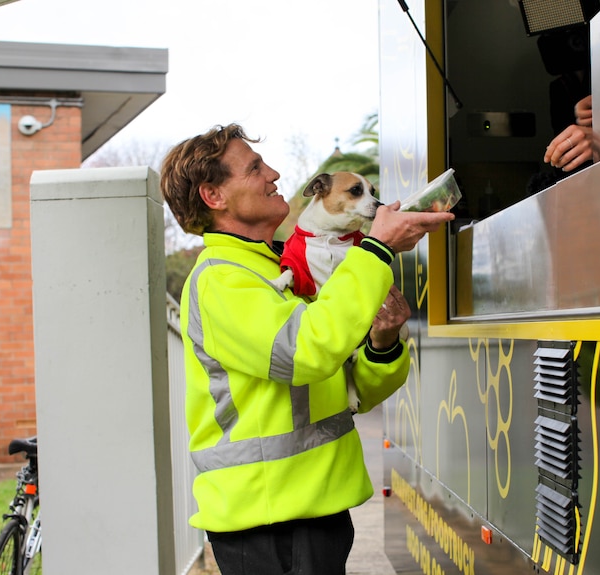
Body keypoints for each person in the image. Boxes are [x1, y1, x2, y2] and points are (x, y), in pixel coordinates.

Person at [159, 124, 454, 575]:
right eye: (255, 168)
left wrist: (382, 340)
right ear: (214, 196)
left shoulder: (277, 267)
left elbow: (351, 386)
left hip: (311, 512)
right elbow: (304, 352)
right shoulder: (222, 278)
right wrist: (376, 250)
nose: (274, 173)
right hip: (269, 520)